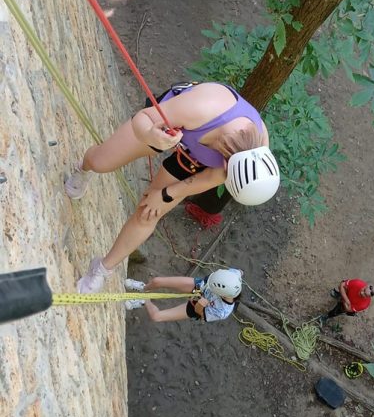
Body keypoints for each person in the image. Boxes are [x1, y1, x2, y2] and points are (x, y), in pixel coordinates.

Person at [64, 81, 279, 293]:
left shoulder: (253, 152)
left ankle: (103, 268)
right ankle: (84, 168)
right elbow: (144, 118)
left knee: (149, 213)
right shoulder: (203, 107)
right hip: (165, 125)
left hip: (197, 157)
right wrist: (150, 135)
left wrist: (166, 195)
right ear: (227, 162)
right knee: (102, 162)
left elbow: (213, 176)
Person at [125, 268, 242, 324]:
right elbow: (240, 271)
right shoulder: (233, 276)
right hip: (199, 286)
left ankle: (145, 301)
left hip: (198, 306)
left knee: (156, 316)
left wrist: (200, 305)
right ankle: (143, 287)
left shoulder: (222, 311)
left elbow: (201, 315)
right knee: (157, 281)